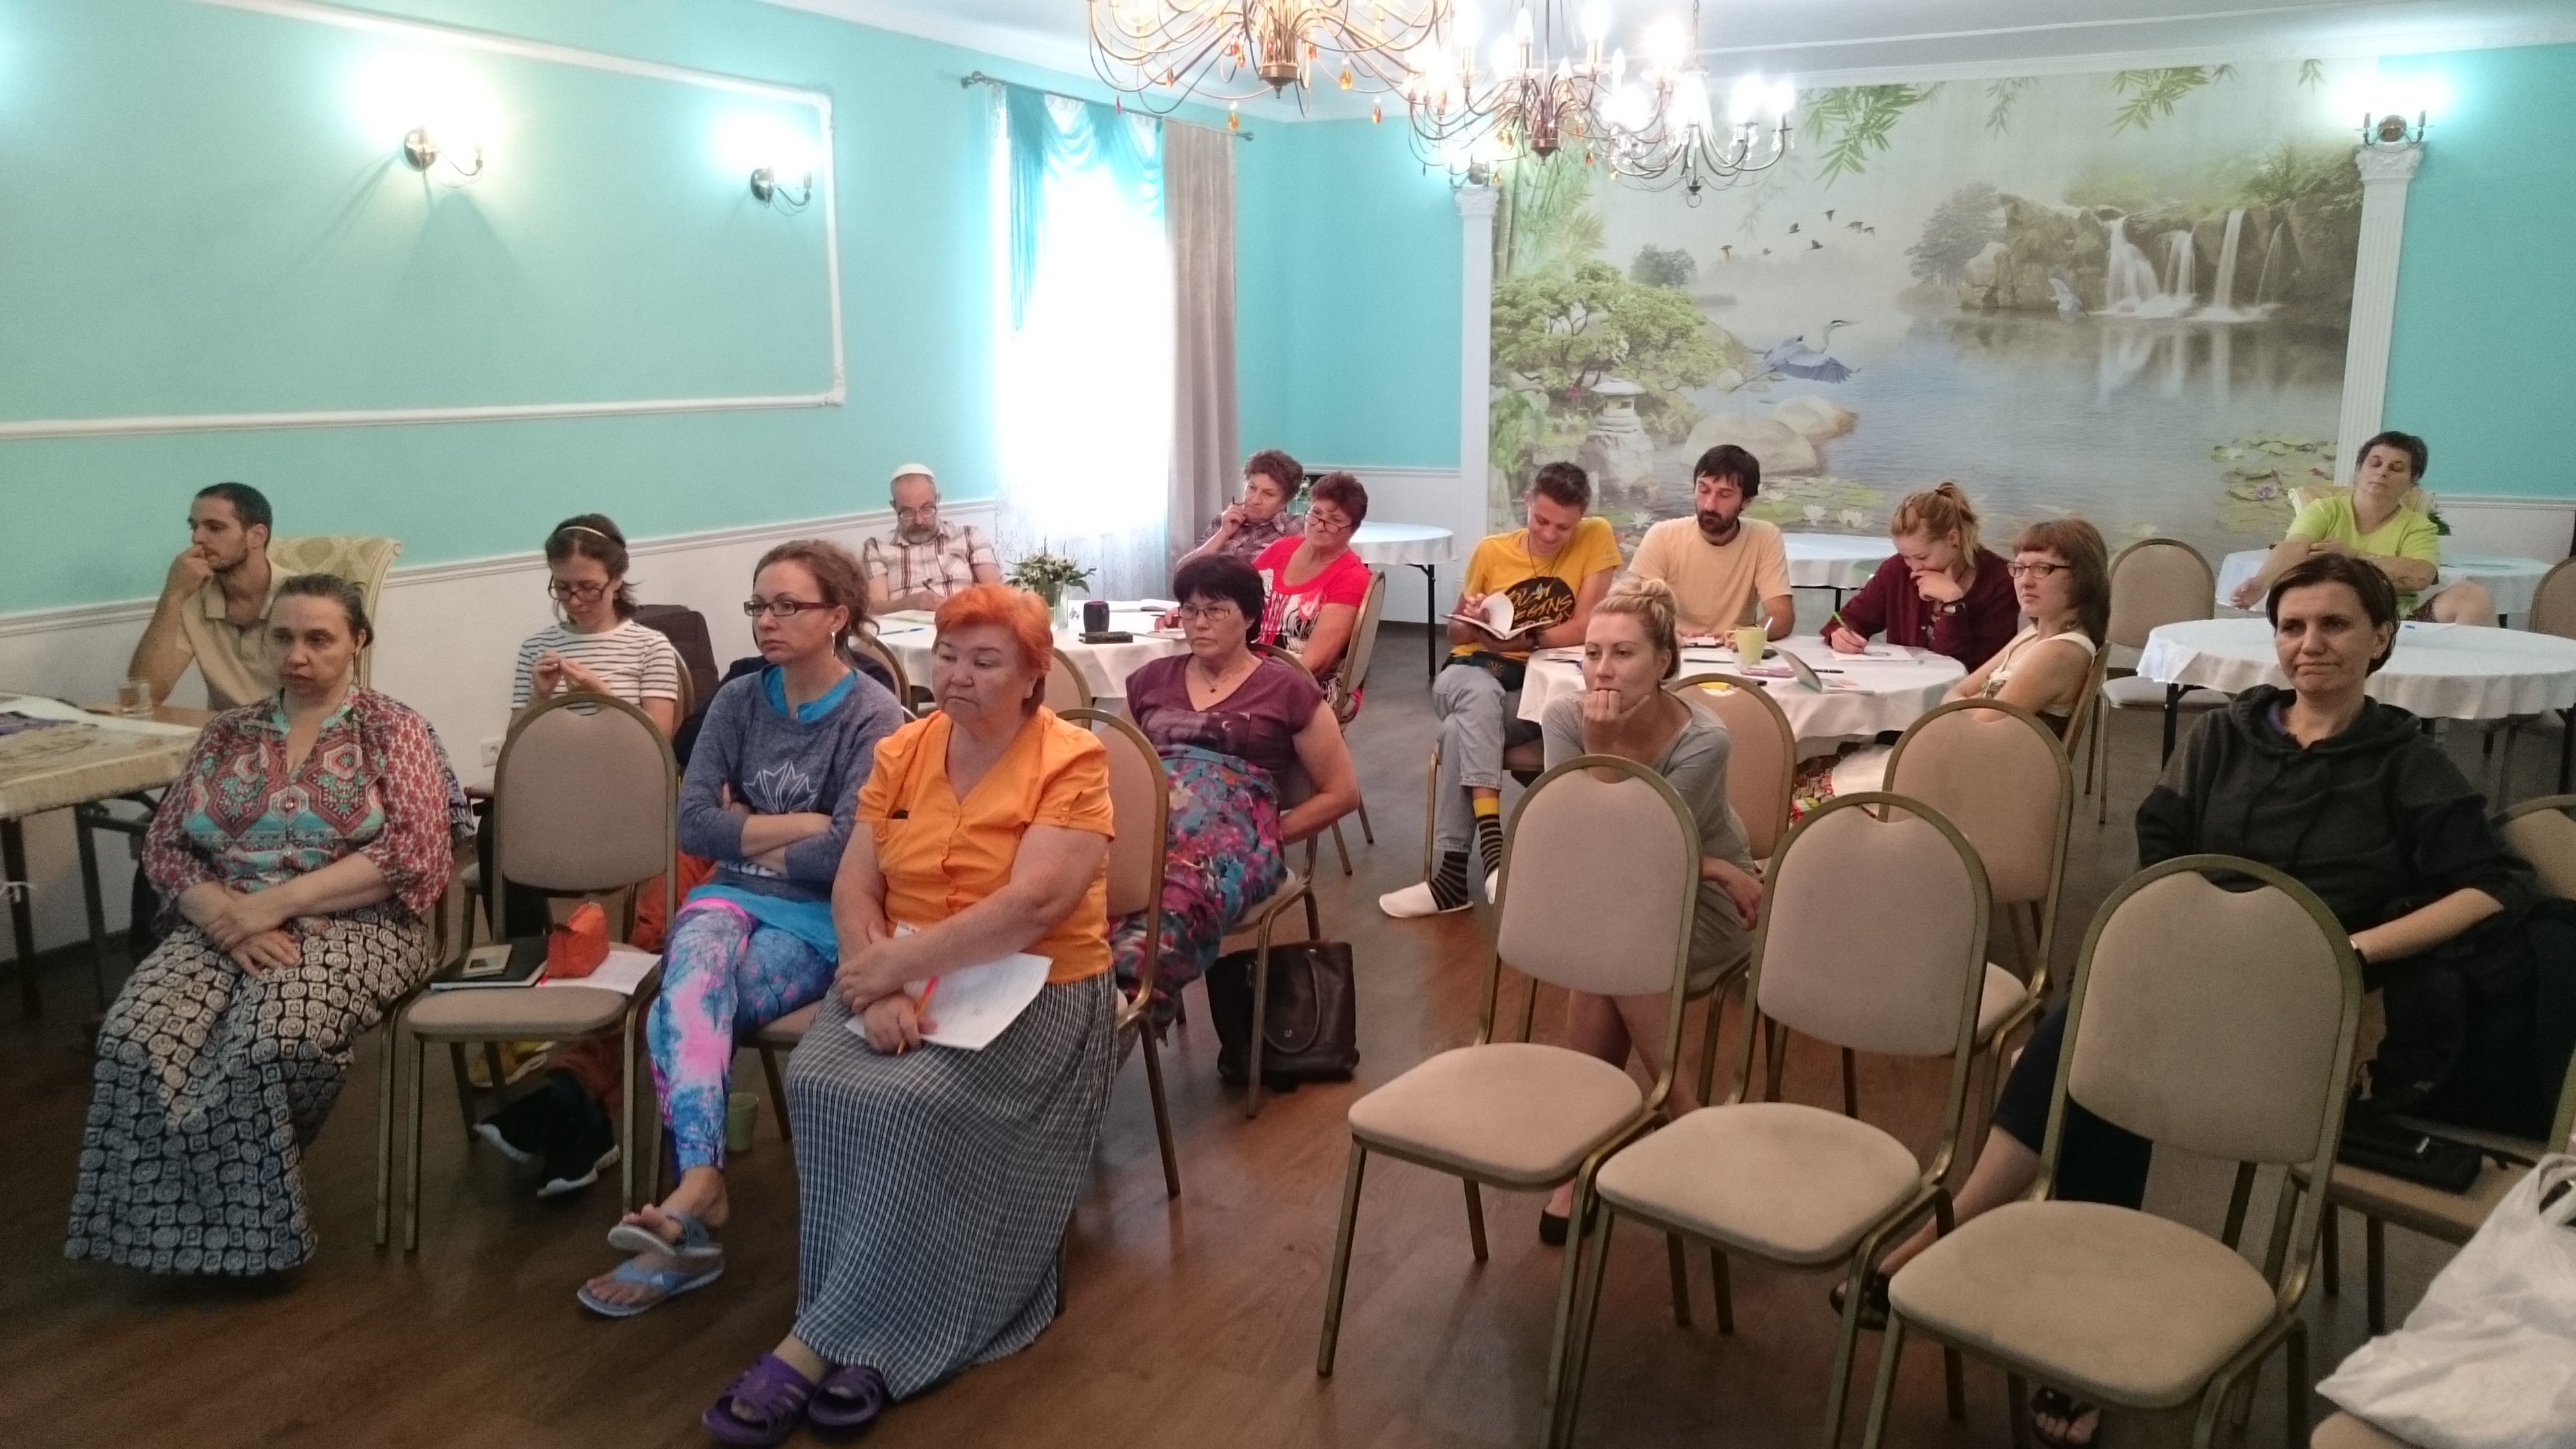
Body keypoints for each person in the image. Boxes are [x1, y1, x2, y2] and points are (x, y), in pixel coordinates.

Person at [1861, 553, 2536, 1449]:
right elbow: (2163, 837)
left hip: (2300, 1001)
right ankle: (2060, 1303)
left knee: (2106, 1050)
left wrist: (2354, 949)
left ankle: (1973, 1236)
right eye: (2293, 627)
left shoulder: (2406, 762)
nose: (2310, 644)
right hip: (2195, 966)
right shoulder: (2230, 735)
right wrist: (2179, 930)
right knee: (2095, 1030)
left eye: (2335, 625)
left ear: (2381, 637)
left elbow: (2496, 886)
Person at [694, 584, 1118, 1444]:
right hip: (905, 970)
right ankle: (866, 1317)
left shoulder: (1072, 759)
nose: (957, 675)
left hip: (1036, 984)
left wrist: (898, 967)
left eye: (986, 661)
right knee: (820, 1081)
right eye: (948, 656)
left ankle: (821, 1343)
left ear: (1034, 675)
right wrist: (880, 983)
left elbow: (1036, 905)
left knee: (912, 1101)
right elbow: (857, 882)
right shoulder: (904, 747)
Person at [66, 574, 461, 1275]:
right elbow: (166, 845)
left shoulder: (393, 729)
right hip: (223, 923)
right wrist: (232, 919)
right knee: (132, 1038)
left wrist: (272, 906)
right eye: (283, 637)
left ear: (358, 641)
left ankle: (242, 1238)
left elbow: (413, 853)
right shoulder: (227, 732)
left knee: (271, 1040)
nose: (297, 655)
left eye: (319, 639)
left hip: (361, 927)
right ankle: (173, 1231)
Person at [578, 539, 905, 1318]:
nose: (767, 621)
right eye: (760, 604)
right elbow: (693, 826)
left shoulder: (873, 713)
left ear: (838, 616)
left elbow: (844, 855)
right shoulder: (737, 701)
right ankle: (701, 1185)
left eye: (789, 606)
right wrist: (796, 825)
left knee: (674, 1011)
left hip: (821, 917)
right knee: (692, 969)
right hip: (727, 896)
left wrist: (750, 829)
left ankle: (693, 1205)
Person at [1534, 578, 1762, 1243]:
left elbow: (1642, 849)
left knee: (1612, 947)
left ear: (1663, 661)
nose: (1602, 669)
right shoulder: (1565, 718)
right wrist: (1715, 863)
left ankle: (1587, 1152)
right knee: (1616, 937)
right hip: (1645, 888)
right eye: (1593, 652)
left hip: (1704, 904)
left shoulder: (1704, 739)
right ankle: (1682, 1117)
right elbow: (1571, 837)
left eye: (1624, 653)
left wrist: (1605, 756)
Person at [471, 514, 688, 1197]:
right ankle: (534, 974)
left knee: (656, 929)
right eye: (562, 587)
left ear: (618, 579)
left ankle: (569, 1100)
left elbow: (656, 745)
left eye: (587, 586)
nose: (574, 599)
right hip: (561, 799)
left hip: (630, 802)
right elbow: (519, 748)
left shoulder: (650, 646)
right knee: (498, 829)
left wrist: (598, 696)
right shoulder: (538, 646)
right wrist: (540, 701)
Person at [1113, 556, 1361, 1021]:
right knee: (1080, 904)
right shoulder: (1150, 681)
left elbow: (1342, 792)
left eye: (1215, 610)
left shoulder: (1287, 689)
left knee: (1162, 918)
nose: (1199, 623)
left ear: (1249, 616)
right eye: (1190, 610)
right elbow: (1125, 770)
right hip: (1150, 827)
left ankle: (1124, 1000)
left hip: (1231, 841)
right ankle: (1087, 1002)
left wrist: (1266, 838)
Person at [1380, 462, 1623, 918]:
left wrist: (1523, 641)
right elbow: (1455, 633)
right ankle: (1494, 848)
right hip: (1467, 670)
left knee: (1459, 732)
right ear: (1526, 502)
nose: (1550, 535)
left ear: (1582, 518)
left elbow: (1586, 625)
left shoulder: (1596, 536)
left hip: (1525, 686)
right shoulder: (1491, 550)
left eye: (1563, 527)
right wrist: (1473, 620)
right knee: (1478, 694)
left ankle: (1451, 879)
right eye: (1541, 520)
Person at [1792, 520, 2109, 816]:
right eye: (2019, 568)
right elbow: (1958, 691)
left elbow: (1975, 727)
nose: (2025, 580)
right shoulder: (2034, 635)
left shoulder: (2059, 652)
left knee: (1798, 788)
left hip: (1979, 785)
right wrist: (1966, 707)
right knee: (1807, 768)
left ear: (2083, 578)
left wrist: (1963, 706)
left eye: (2042, 569)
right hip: (1966, 763)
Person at [2228, 430, 2494, 625]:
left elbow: (2421, 576)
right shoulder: (2325, 510)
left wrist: (2354, 556)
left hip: (2397, 621)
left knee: (2472, 596)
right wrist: (2260, 584)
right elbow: (2295, 547)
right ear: (2358, 471)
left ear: (2412, 481)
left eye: (2396, 468)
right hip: (2328, 617)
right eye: (2375, 463)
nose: (2382, 472)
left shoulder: (2418, 525)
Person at [1823, 481, 2019, 669]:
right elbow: (1848, 619)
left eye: (1922, 557)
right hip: (1903, 685)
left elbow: (1977, 669)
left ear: (1953, 539)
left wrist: (1951, 602)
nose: (1914, 568)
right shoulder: (1897, 569)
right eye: (1906, 557)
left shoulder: (2000, 581)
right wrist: (1839, 635)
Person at [126, 481, 284, 710]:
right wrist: (172, 594)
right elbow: (143, 695)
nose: (197, 538)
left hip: (293, 729)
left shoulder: (304, 597)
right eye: (194, 527)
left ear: (257, 536)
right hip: (223, 730)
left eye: (215, 528)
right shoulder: (192, 595)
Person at [1626, 445, 1794, 643]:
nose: (1709, 505)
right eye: (1703, 490)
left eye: (1724, 495)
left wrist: (1753, 634)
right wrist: (1664, 632)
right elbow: (1631, 608)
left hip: (1734, 651)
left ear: (1746, 502)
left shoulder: (1764, 537)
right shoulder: (1663, 536)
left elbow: (1781, 615)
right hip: (1675, 648)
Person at [1250, 470, 1373, 687]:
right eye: (1316, 514)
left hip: (1306, 683)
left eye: (1334, 520)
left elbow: (1316, 664)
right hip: (1249, 667)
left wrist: (1254, 683)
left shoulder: (1352, 576)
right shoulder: (1279, 549)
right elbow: (1235, 599)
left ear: (1353, 531)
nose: (1319, 526)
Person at [861, 464, 1001, 612]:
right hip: (903, 625)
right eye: (907, 512)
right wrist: (911, 603)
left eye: (927, 509)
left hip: (963, 620)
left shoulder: (969, 536)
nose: (919, 520)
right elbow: (875, 608)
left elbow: (997, 594)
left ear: (937, 500)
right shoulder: (876, 547)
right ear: (895, 507)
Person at [1179, 447, 1305, 566]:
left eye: (1268, 494)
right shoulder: (1225, 521)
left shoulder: (1298, 527)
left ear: (1285, 502)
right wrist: (1223, 534)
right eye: (1252, 488)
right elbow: (1182, 570)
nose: (1255, 500)